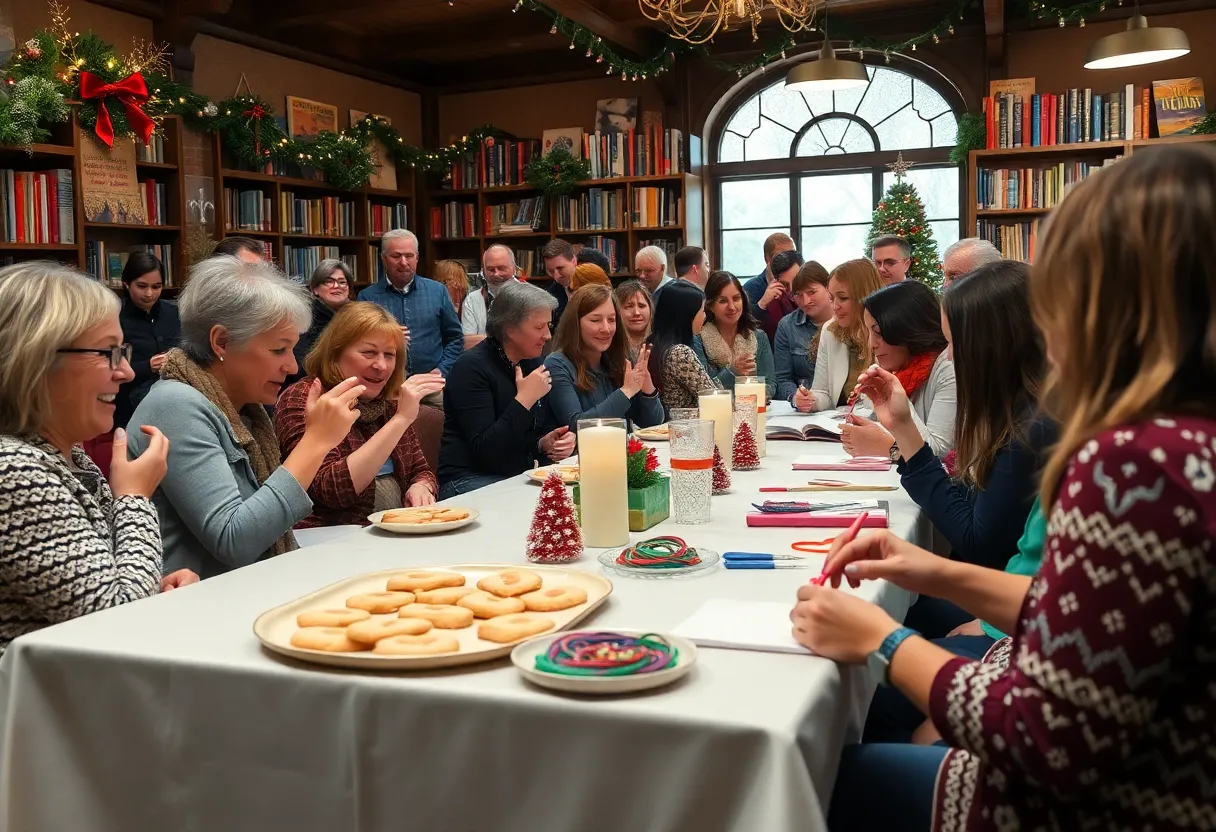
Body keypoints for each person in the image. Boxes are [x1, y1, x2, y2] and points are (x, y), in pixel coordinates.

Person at [799, 143, 1216, 832]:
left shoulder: (1137, 465)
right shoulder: (1182, 439)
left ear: (1113, 304)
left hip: (1110, 803)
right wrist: (928, 569)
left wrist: (882, 638)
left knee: (829, 777)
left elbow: (1046, 739)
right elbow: (1085, 615)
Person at [858, 262, 1054, 745]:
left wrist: (988, 625)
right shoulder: (1024, 412)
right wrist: (903, 428)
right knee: (904, 612)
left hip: (1014, 629)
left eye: (954, 343)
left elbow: (976, 539)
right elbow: (980, 503)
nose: (949, 355)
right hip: (1014, 613)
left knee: (866, 685)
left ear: (990, 346)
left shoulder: (1033, 428)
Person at [127, 256, 368, 579]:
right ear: (222, 342)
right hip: (200, 603)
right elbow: (235, 542)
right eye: (279, 349)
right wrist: (316, 441)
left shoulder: (243, 407)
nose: (292, 367)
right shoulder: (175, 405)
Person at [0, 262, 195, 657]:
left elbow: (98, 593)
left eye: (122, 352)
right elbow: (116, 620)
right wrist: (134, 498)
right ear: (35, 360)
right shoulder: (14, 470)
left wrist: (152, 588)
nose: (126, 372)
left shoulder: (71, 458)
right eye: (108, 353)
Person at [275, 302, 445, 528]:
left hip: (394, 531)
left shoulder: (386, 402)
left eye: (389, 355)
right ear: (335, 352)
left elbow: (420, 470)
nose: (381, 366)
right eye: (369, 353)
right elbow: (331, 492)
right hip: (329, 538)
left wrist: (422, 486)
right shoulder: (305, 398)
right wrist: (400, 420)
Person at [438, 282, 576, 498]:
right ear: (510, 328)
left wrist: (544, 443)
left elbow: (527, 434)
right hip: (467, 479)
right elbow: (486, 451)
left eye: (548, 326)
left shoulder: (532, 361)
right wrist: (524, 400)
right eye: (539, 327)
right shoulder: (471, 368)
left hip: (513, 475)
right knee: (541, 502)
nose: (548, 335)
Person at [841, 279, 955, 459]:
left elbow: (939, 453)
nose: (871, 344)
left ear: (907, 328)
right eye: (868, 332)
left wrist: (890, 448)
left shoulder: (948, 368)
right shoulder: (899, 365)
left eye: (878, 332)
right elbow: (879, 429)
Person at [357, 229, 463, 403]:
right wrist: (388, 336)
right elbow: (359, 344)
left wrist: (441, 371)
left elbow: (455, 338)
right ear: (383, 258)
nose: (404, 262)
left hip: (431, 387)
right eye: (396, 256)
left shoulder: (437, 292)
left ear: (417, 257)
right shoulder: (367, 297)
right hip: (386, 390)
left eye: (409, 256)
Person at [544, 284, 663, 435]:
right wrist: (626, 391)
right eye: (595, 320)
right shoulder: (557, 364)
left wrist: (647, 388)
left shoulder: (621, 359)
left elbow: (653, 423)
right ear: (576, 324)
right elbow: (576, 426)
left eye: (612, 320)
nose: (606, 329)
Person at [115, 252, 181, 433]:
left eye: (156, 287)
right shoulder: (114, 317)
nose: (149, 294)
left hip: (175, 396)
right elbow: (109, 368)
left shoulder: (173, 313)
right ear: (126, 284)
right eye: (142, 286)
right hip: (129, 405)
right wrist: (148, 366)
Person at [807, 258, 883, 411]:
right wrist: (810, 400)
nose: (835, 306)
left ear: (864, 297)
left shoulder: (888, 330)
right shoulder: (830, 330)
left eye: (843, 298)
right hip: (838, 422)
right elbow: (822, 392)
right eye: (831, 298)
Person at [693, 270, 777, 400]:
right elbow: (705, 389)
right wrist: (733, 371)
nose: (731, 307)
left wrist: (755, 394)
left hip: (754, 407)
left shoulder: (759, 337)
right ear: (710, 305)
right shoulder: (698, 340)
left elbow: (770, 383)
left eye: (736, 299)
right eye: (723, 301)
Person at [646, 279, 715, 412]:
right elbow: (711, 397)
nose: (704, 316)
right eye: (702, 310)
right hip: (686, 422)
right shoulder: (680, 353)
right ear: (687, 315)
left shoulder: (652, 343)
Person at [775, 260, 832, 407]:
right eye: (798, 295)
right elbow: (782, 379)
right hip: (806, 408)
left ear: (829, 288)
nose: (806, 301)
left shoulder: (845, 320)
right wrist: (796, 397)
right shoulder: (787, 326)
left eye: (812, 292)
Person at [291, 259, 351, 382]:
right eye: (329, 282)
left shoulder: (355, 314)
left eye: (342, 282)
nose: (336, 286)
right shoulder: (306, 316)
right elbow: (302, 364)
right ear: (315, 289)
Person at [462, 244, 519, 349]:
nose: (496, 274)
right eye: (491, 269)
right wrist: (508, 339)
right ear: (483, 271)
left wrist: (483, 339)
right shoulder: (472, 299)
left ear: (514, 268)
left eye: (502, 268)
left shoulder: (532, 297)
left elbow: (530, 341)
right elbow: (468, 343)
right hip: (481, 359)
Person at [749, 248, 801, 345]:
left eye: (796, 281)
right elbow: (748, 332)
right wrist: (762, 304)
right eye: (785, 284)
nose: (791, 289)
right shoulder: (775, 300)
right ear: (776, 281)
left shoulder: (815, 295)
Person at [741, 231, 795, 310]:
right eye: (781, 256)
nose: (789, 261)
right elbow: (744, 317)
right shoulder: (751, 288)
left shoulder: (802, 284)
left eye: (793, 255)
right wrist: (762, 304)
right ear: (767, 259)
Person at [541, 239, 576, 325]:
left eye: (560, 268)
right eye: (551, 271)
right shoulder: (551, 294)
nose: (556, 276)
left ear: (574, 261)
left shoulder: (594, 286)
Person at [614, 279, 653, 356]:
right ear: (617, 310)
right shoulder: (609, 348)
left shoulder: (661, 346)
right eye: (629, 306)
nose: (636, 313)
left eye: (641, 306)